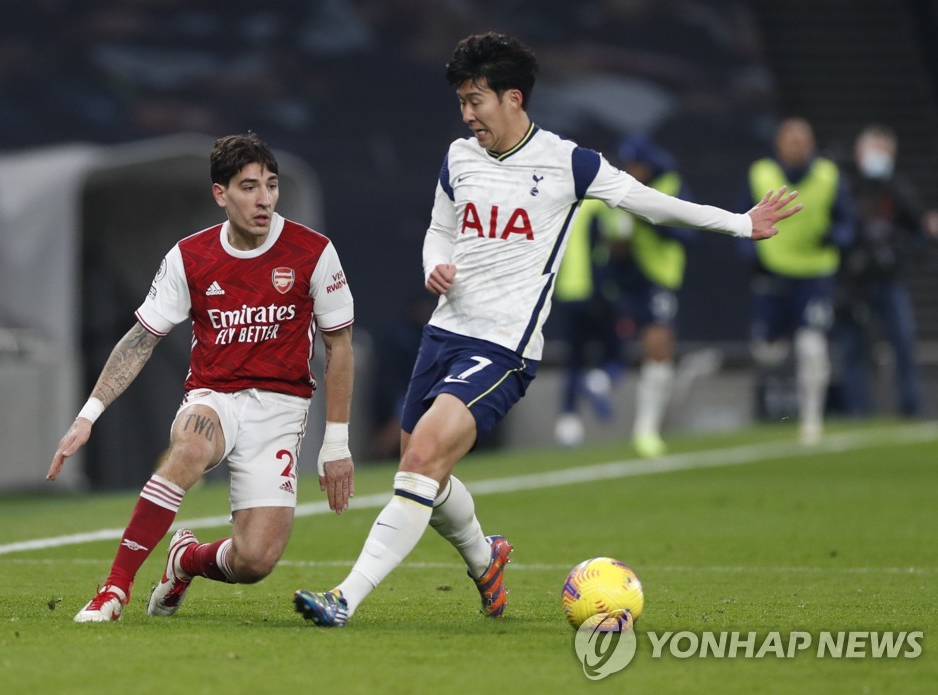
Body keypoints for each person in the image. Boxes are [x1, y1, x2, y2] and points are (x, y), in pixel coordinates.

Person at [293, 32, 800, 627]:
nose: (467, 114)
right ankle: (485, 560)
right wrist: (434, 263)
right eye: (461, 102)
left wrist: (740, 223)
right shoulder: (459, 157)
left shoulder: (569, 162)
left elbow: (648, 202)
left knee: (422, 458)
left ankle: (345, 597)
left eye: (475, 100)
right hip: (444, 334)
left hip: (503, 347)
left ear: (512, 98)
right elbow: (439, 228)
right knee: (424, 467)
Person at [46, 133, 356, 622]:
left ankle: (185, 560)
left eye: (271, 185)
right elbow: (140, 339)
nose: (265, 199)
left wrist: (336, 444)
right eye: (249, 187)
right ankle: (114, 589)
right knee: (189, 448)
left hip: (280, 410)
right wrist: (88, 415)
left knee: (255, 561)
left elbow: (339, 347)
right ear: (220, 194)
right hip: (215, 396)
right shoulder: (190, 256)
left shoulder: (312, 251)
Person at [552, 134, 696, 457]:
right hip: (619, 283)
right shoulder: (615, 191)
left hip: (657, 278)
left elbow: (686, 234)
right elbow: (612, 239)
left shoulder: (671, 185)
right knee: (601, 351)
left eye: (636, 165)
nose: (631, 170)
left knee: (654, 348)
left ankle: (644, 428)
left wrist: (649, 218)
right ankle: (592, 403)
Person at [742, 117, 855, 445]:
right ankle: (770, 408)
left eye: (802, 141)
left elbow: (847, 222)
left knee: (812, 345)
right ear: (778, 144)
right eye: (791, 141)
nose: (797, 147)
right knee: (768, 351)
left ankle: (811, 420)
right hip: (773, 270)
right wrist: (749, 256)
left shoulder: (828, 175)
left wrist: (836, 238)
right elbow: (739, 215)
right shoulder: (760, 173)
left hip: (813, 273)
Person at [835, 125, 938, 417]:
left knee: (903, 342)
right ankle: (857, 410)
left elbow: (917, 225)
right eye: (874, 149)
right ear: (859, 152)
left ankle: (912, 406)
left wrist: (925, 231)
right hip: (853, 280)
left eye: (885, 151)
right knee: (853, 347)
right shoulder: (844, 185)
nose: (879, 157)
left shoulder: (896, 187)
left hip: (889, 278)